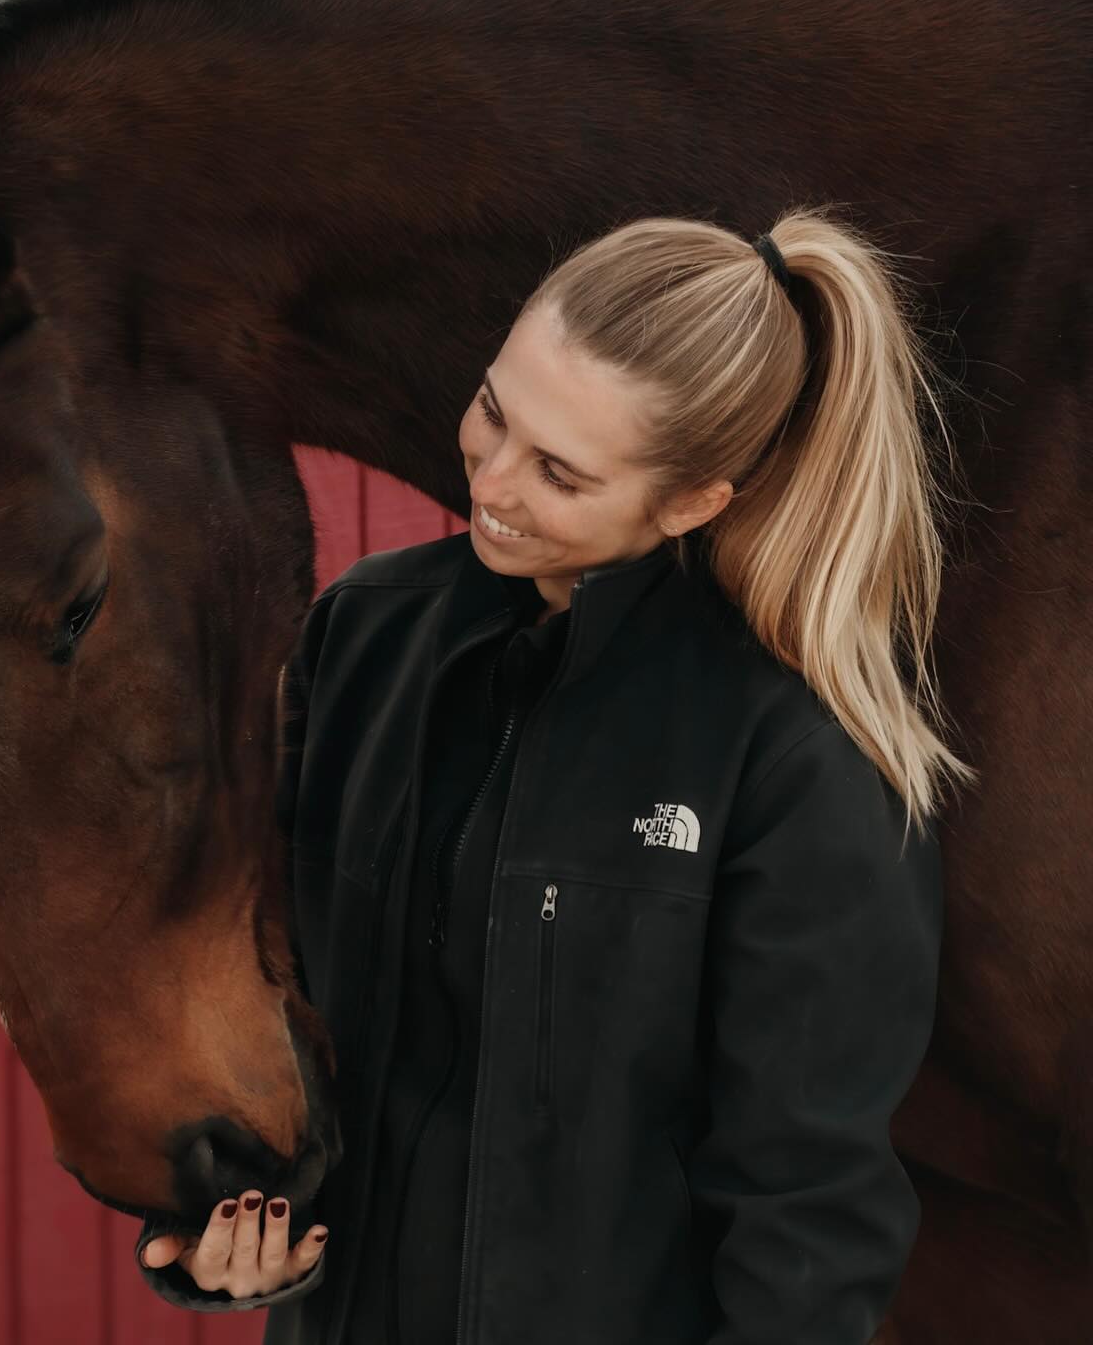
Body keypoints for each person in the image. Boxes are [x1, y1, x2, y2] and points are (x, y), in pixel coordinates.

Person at [137, 209, 969, 1344]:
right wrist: (239, 1222)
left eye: (562, 472)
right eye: (493, 409)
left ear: (691, 501)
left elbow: (808, 1208)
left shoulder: (792, 756)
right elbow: (265, 990)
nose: (495, 479)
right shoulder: (364, 639)